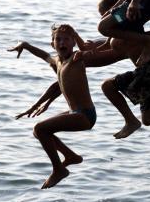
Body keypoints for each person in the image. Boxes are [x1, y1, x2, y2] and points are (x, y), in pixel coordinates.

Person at [7, 24, 97, 189]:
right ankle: (70, 156)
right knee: (38, 132)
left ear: (73, 43)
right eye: (58, 39)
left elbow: (90, 52)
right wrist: (25, 45)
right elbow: (44, 57)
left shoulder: (77, 58)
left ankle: (58, 170)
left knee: (41, 129)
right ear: (53, 44)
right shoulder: (57, 62)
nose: (62, 42)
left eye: (66, 39)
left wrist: (80, 40)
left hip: (85, 115)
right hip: (74, 112)